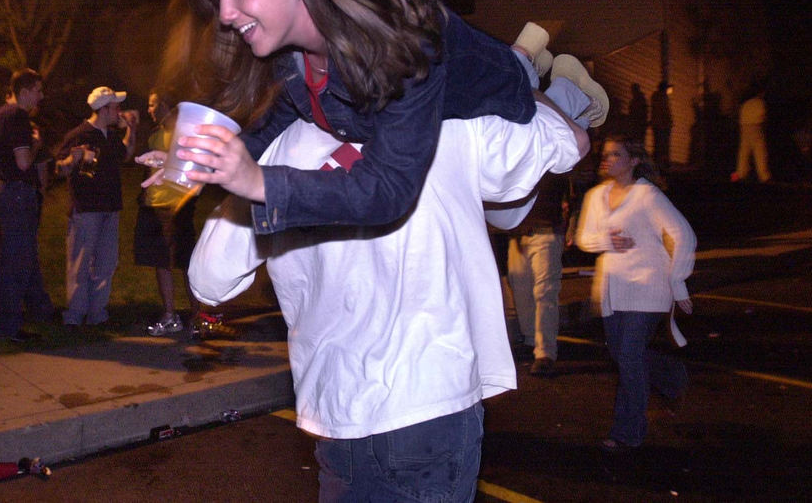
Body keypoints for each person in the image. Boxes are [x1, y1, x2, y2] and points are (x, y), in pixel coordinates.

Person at [188, 93, 587, 501]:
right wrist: (515, 78)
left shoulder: (275, 154)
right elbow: (570, 143)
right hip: (431, 403)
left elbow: (208, 279)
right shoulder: (445, 112)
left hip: (339, 412)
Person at [160, 0, 608, 236]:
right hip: (448, 80)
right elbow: (276, 117)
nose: (224, 14)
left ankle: (562, 90)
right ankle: (530, 60)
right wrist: (210, 158)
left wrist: (259, 183)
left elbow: (390, 189)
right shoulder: (283, 57)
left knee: (558, 154)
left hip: (488, 90)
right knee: (497, 215)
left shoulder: (404, 43)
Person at [575, 134, 696, 452]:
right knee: (622, 355)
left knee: (629, 356)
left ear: (633, 161)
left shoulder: (647, 196)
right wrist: (606, 241)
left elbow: (683, 234)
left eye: (616, 154)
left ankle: (627, 432)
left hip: (648, 287)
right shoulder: (596, 196)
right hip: (612, 291)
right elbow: (584, 238)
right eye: (605, 154)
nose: (607, 159)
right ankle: (671, 374)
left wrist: (678, 280)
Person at [53, 87, 139, 328]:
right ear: (103, 109)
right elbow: (59, 168)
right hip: (86, 208)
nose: (119, 112)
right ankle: (74, 315)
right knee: (80, 262)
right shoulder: (79, 134)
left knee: (105, 262)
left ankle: (97, 313)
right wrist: (74, 159)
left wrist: (131, 128)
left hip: (110, 207)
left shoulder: (110, 137)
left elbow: (127, 154)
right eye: (116, 107)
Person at [133, 92, 215, 337]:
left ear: (169, 105)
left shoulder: (186, 134)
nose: (149, 109)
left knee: (186, 263)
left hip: (176, 208)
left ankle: (198, 315)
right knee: (161, 262)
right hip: (153, 206)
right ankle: (170, 316)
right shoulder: (156, 133)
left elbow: (197, 167)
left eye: (153, 104)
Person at [0, 68, 56, 342]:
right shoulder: (17, 117)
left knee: (24, 257)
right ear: (25, 91)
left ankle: (40, 310)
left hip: (7, 191)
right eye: (38, 90)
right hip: (17, 192)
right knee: (16, 261)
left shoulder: (0, 116)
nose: (41, 96)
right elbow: (24, 162)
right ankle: (9, 327)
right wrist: (36, 144)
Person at [507, 172, 568, 377]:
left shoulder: (553, 162)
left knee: (544, 293)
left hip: (545, 231)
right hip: (519, 234)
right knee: (521, 288)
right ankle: (531, 340)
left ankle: (545, 353)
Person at [732, 88, 771, 183]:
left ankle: (740, 174)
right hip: (756, 127)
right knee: (760, 152)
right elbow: (764, 118)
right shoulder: (760, 103)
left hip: (744, 128)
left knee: (744, 153)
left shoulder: (746, 104)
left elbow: (740, 118)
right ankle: (764, 176)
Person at [650, 81, 672, 172]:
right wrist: (668, 122)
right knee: (662, 145)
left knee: (659, 144)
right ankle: (661, 164)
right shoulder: (661, 97)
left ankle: (658, 163)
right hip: (662, 125)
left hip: (658, 124)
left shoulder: (656, 97)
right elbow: (664, 111)